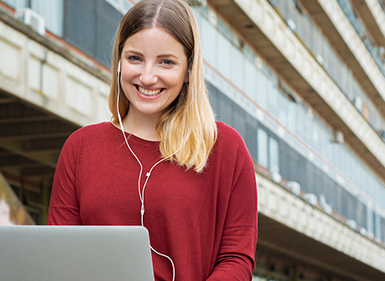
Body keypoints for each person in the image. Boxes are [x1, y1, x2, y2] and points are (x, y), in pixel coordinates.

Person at [48, 0, 258, 280]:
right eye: (135, 58)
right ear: (119, 60)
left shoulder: (225, 149)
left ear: (188, 71)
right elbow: (61, 254)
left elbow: (236, 259)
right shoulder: (80, 147)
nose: (147, 77)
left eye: (166, 62)